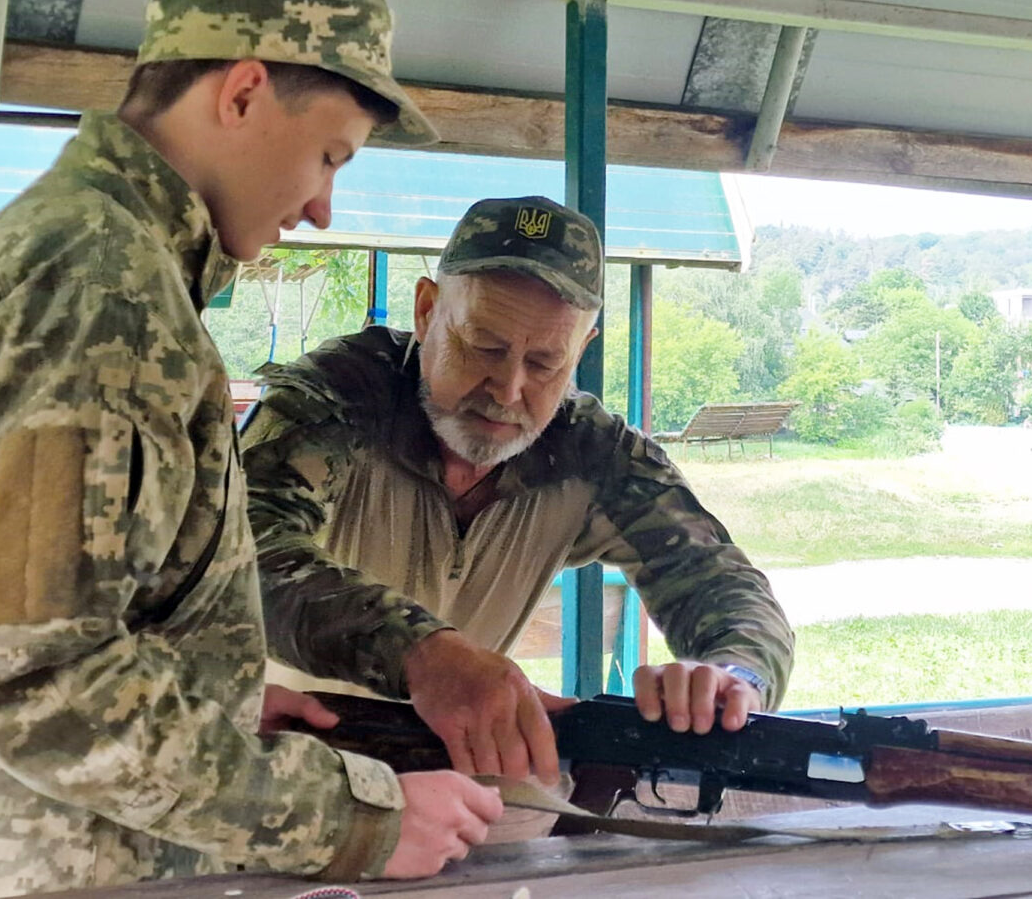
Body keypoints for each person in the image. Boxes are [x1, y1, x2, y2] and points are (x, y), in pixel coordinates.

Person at [0, 1, 504, 896]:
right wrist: (350, 818)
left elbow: (51, 618)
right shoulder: (100, 280)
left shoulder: (97, 256)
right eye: (330, 157)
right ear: (243, 93)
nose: (323, 208)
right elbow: (36, 679)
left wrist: (212, 695)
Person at [241, 195, 796, 788]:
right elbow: (245, 557)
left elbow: (720, 583)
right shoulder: (337, 400)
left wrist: (735, 677)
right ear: (426, 311)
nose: (507, 390)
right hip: (272, 774)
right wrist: (421, 651)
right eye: (484, 347)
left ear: (581, 351)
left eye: (545, 363)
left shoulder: (589, 450)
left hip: (456, 790)